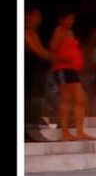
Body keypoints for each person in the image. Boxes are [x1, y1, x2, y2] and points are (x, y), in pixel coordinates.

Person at [47, 11, 88, 140]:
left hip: (72, 70)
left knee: (78, 100)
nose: (71, 22)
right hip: (63, 69)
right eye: (69, 19)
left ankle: (78, 131)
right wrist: (63, 59)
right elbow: (52, 48)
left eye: (72, 19)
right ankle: (66, 132)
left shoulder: (69, 32)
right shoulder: (58, 31)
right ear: (61, 19)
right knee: (69, 99)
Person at [24, 8, 53, 140]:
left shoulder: (33, 34)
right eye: (37, 16)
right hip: (26, 72)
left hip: (34, 75)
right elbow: (37, 51)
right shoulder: (26, 33)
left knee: (31, 101)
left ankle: (30, 130)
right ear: (28, 17)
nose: (39, 19)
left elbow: (41, 50)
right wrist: (58, 58)